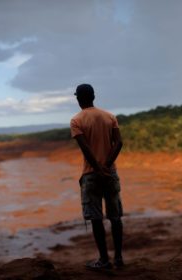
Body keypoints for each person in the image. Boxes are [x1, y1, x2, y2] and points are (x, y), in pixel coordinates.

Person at [70, 84, 124, 270]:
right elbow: (119, 142)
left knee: (95, 218)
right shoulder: (110, 116)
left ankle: (104, 260)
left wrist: (97, 168)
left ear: (78, 99)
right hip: (110, 173)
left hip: (90, 175)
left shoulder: (76, 121)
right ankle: (118, 258)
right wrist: (107, 166)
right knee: (115, 217)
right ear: (94, 96)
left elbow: (85, 148)